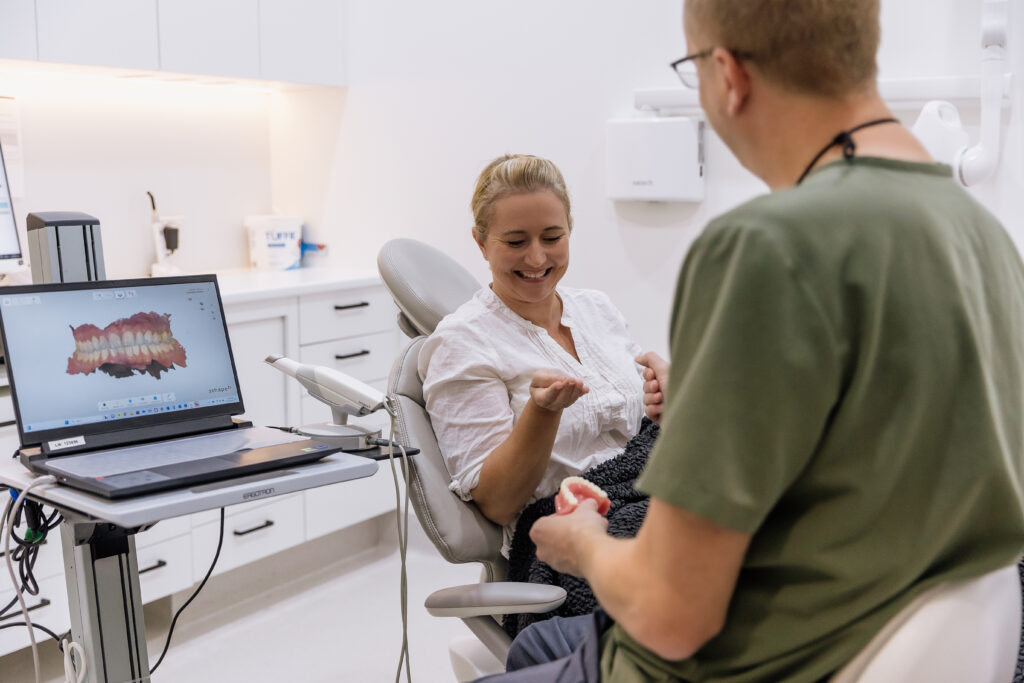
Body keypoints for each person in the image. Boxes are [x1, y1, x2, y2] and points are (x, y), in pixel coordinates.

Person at [478, 1, 1024, 682]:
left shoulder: (768, 246)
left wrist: (586, 545)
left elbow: (671, 609)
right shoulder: (983, 236)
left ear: (728, 74)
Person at [419, 154, 661, 554]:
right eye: (515, 242)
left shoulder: (596, 309)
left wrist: (667, 399)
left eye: (552, 238)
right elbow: (498, 503)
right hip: (566, 533)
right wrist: (542, 414)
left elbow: (643, 431)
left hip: (650, 491)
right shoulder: (461, 342)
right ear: (480, 242)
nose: (536, 258)